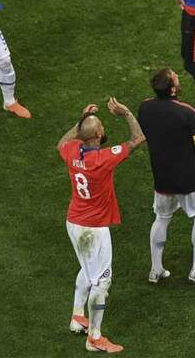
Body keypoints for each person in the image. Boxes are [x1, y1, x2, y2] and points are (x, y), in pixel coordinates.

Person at [58, 98, 145, 353]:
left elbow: (61, 143)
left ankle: (77, 316)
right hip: (93, 230)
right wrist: (126, 113)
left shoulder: (73, 151)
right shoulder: (104, 158)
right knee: (102, 282)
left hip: (74, 222)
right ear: (97, 135)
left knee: (87, 270)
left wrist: (80, 122)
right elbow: (138, 138)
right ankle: (94, 338)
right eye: (101, 127)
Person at [138, 68, 195, 284]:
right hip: (188, 176)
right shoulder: (184, 111)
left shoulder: (145, 107)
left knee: (162, 218)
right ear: (173, 89)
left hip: (162, 175)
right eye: (175, 77)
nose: (178, 78)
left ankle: (155, 269)